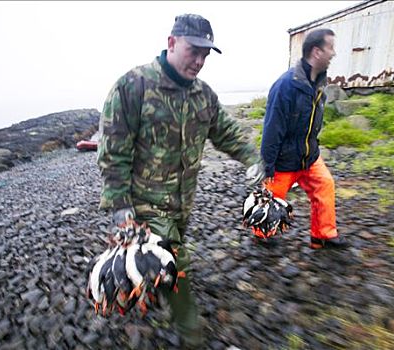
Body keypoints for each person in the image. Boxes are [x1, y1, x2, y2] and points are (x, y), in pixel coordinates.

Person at [97, 14, 264, 347]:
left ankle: (153, 287)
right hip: (144, 205)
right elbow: (113, 152)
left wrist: (252, 158)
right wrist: (119, 206)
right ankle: (192, 334)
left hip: (182, 203)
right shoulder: (133, 86)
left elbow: (226, 132)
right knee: (176, 260)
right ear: (172, 43)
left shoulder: (204, 95)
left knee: (159, 261)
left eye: (205, 54)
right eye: (193, 51)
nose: (200, 61)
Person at [260, 28, 348, 249]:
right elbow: (272, 129)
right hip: (283, 161)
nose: (334, 53)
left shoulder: (319, 84)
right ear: (317, 52)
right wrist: (268, 165)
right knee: (269, 201)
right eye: (331, 48)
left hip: (309, 156)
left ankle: (323, 235)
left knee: (325, 184)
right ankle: (261, 235)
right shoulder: (286, 85)